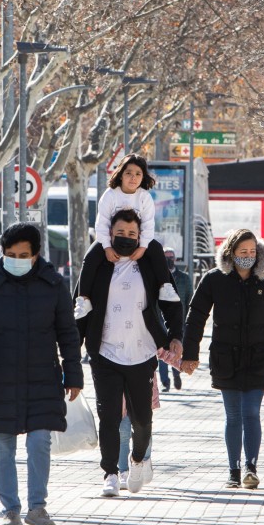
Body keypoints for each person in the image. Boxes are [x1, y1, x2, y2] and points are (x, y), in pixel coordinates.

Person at [0, 223, 83, 525]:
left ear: (36, 254)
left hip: (44, 376)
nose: (16, 259)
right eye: (10, 254)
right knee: (2, 443)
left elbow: (68, 333)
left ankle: (37, 508)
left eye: (23, 254)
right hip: (0, 376)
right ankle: (10, 510)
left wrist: (74, 374)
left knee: (40, 442)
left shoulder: (53, 284)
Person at [76, 209, 184, 497]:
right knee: (109, 416)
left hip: (142, 351)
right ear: (110, 234)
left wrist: (176, 337)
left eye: (132, 234)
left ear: (141, 236)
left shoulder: (149, 261)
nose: (126, 238)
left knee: (142, 419)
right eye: (120, 233)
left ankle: (138, 460)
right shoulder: (98, 261)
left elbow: (171, 299)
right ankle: (111, 472)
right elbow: (81, 303)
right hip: (105, 352)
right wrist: (72, 346)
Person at [181, 229, 264, 489]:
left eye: (252, 252)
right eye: (243, 252)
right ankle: (233, 469)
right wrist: (190, 354)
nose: (248, 257)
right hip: (225, 357)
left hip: (259, 357)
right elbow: (196, 316)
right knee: (233, 416)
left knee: (251, 412)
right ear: (231, 252)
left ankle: (250, 467)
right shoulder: (214, 279)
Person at [75, 154, 179, 319]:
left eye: (138, 174)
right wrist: (107, 247)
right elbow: (101, 224)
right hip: (111, 240)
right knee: (90, 257)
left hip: (137, 241)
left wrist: (143, 247)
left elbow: (148, 225)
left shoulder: (144, 197)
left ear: (143, 177)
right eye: (129, 173)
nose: (133, 177)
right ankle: (83, 299)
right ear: (121, 174)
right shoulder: (110, 195)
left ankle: (165, 286)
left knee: (157, 249)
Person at [158, 247, 192, 392]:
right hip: (160, 322)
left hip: (179, 322)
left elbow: (190, 300)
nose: (168, 260)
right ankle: (165, 381)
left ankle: (177, 374)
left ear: (175, 259)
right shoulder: (157, 277)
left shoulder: (184, 278)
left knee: (176, 350)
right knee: (162, 352)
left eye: (171, 257)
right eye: (166, 257)